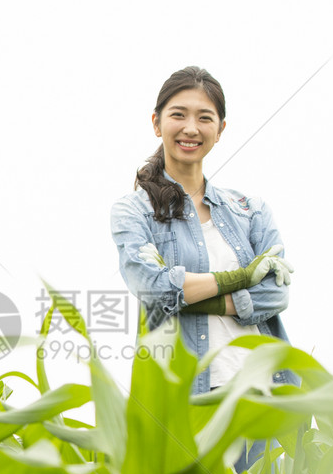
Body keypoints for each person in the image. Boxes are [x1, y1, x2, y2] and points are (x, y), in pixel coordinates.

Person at [110, 65, 295, 406]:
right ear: (156, 122)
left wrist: (190, 294)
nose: (191, 128)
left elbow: (275, 293)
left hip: (263, 391)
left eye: (205, 118)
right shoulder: (134, 211)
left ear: (221, 129)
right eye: (178, 115)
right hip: (185, 397)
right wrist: (242, 278)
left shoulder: (250, 211)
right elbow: (153, 287)